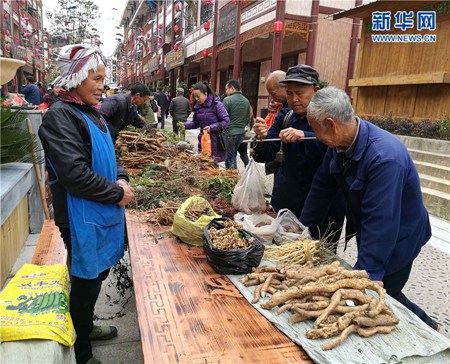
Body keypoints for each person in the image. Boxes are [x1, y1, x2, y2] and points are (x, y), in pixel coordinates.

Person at [300, 86, 436, 329]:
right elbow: (322, 184)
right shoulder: (340, 145)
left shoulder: (385, 158)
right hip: (373, 227)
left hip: (400, 236)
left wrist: (364, 276)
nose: (314, 134)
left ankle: (428, 326)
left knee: (387, 292)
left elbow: (382, 222)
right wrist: (302, 227)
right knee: (376, 286)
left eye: (315, 128)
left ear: (331, 124)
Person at [38, 44, 134, 364]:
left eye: (103, 78)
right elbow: (75, 175)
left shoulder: (92, 112)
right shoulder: (59, 116)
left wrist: (121, 178)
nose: (100, 85)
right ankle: (82, 351)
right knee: (86, 281)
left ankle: (86, 324)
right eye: (94, 78)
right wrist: (118, 194)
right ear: (74, 77)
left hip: (102, 210)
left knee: (99, 274)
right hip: (79, 216)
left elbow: (110, 154)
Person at [253, 65, 345, 242]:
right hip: (288, 202)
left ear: (315, 90)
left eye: (300, 93)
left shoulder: (333, 119)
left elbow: (340, 148)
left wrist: (306, 136)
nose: (294, 99)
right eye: (289, 93)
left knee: (319, 253)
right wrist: (263, 137)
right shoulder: (285, 117)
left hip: (323, 206)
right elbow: (266, 155)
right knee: (284, 248)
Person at [184, 82, 230, 163]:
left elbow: (226, 121)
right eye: (195, 97)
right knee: (203, 164)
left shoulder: (217, 105)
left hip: (215, 141)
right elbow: (195, 123)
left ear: (205, 94)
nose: (196, 99)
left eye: (198, 96)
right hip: (203, 140)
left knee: (213, 167)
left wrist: (211, 128)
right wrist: (184, 125)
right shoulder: (197, 107)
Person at [222, 79, 251, 170]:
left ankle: (232, 179)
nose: (226, 92)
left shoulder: (227, 100)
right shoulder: (246, 101)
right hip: (241, 133)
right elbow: (247, 119)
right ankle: (237, 177)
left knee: (230, 158)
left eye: (227, 89)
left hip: (230, 133)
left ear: (232, 88)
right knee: (233, 155)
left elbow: (223, 117)